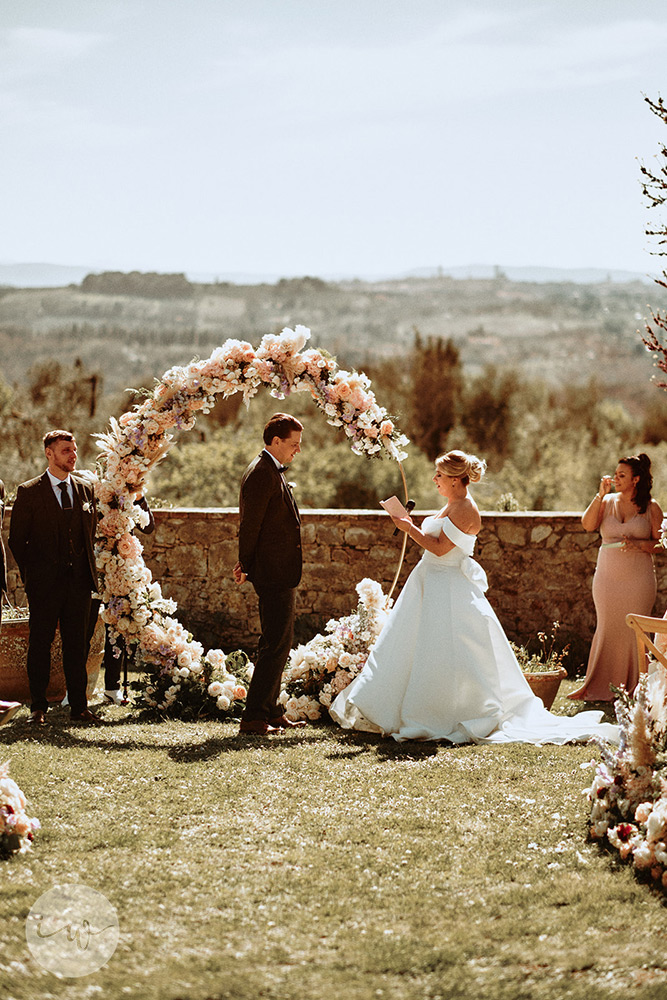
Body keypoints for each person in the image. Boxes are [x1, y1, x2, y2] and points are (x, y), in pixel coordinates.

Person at [330, 450, 618, 744]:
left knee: (444, 650)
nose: (434, 480)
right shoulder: (450, 505)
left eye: (439, 475)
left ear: (456, 480)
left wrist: (408, 528)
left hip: (449, 587)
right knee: (411, 645)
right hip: (427, 582)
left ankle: (444, 711)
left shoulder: (466, 509)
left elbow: (441, 548)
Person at [8, 430, 102, 726]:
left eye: (74, 450)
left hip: (79, 584)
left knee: (77, 646)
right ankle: (38, 707)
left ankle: (79, 707)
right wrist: (34, 576)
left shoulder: (86, 490)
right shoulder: (30, 491)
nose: (73, 456)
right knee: (40, 643)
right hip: (44, 586)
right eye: (65, 451)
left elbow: (90, 535)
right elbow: (16, 541)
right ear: (49, 454)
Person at [233, 413, 307, 735]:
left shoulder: (269, 470)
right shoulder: (262, 473)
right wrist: (245, 566)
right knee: (274, 644)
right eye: (293, 444)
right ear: (275, 442)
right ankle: (253, 718)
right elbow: (250, 527)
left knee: (280, 642)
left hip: (279, 572)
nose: (297, 451)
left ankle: (273, 710)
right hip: (272, 573)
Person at [568, 453, 663, 703]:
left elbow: (662, 544)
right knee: (608, 626)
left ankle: (637, 687)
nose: (615, 478)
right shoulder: (607, 500)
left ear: (636, 479)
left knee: (637, 630)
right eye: (616, 473)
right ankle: (600, 685)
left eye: (622, 475)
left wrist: (640, 545)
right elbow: (587, 525)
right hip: (607, 577)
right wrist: (599, 495)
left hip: (638, 579)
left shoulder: (651, 507)